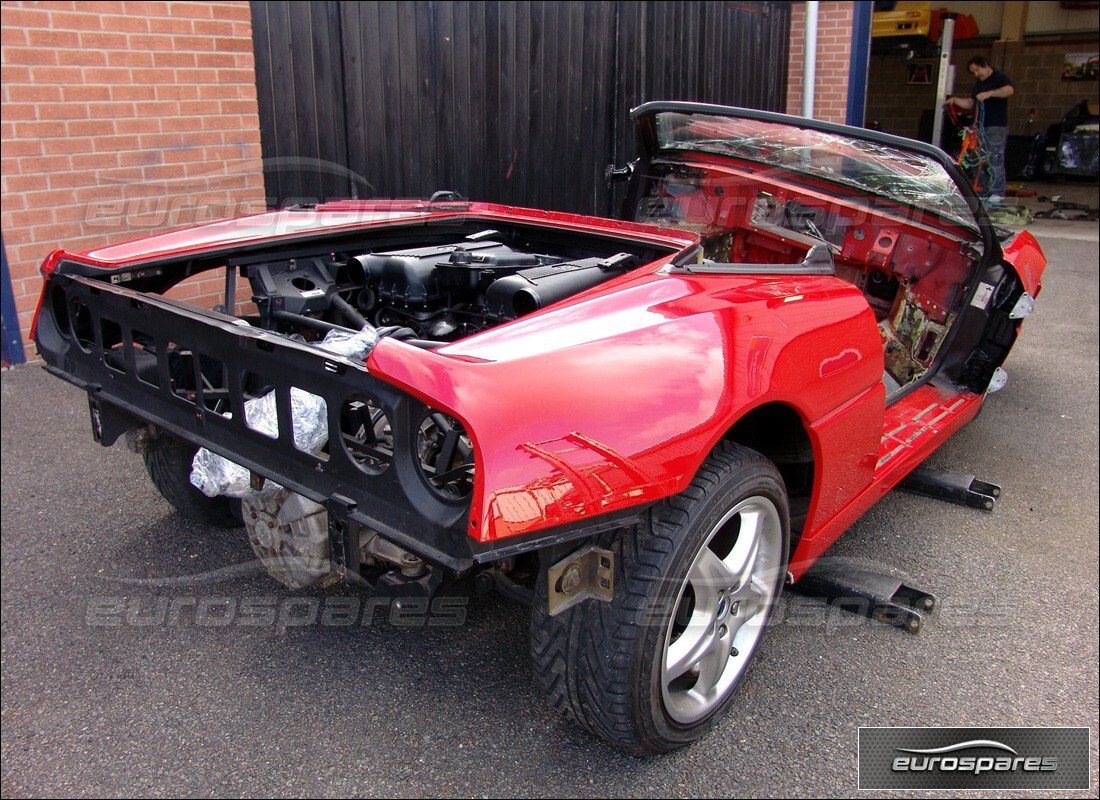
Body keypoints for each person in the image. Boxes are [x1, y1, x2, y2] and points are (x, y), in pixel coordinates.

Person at [946, 56, 1014, 202]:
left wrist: (990, 93)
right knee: (979, 160)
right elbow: (972, 102)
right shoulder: (978, 85)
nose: (976, 74)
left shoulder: (999, 78)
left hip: (995, 126)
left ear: (985, 65)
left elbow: (1008, 90)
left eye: (977, 70)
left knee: (995, 158)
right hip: (979, 127)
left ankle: (998, 192)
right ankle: (981, 190)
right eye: (974, 72)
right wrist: (956, 100)